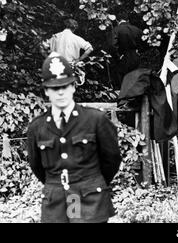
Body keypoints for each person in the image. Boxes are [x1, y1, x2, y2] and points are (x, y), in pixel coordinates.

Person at [27, 53, 121, 223]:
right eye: (55, 88)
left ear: (73, 87)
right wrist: (55, 185)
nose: (61, 92)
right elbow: (36, 166)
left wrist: (92, 182)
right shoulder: (37, 127)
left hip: (90, 202)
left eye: (65, 86)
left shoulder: (95, 120)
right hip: (55, 204)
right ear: (46, 91)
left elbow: (112, 159)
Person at [111, 12, 143, 83]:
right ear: (128, 20)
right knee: (135, 79)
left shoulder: (116, 30)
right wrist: (139, 51)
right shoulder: (136, 29)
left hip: (123, 57)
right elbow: (144, 42)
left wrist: (118, 57)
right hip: (135, 56)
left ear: (117, 20)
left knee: (124, 80)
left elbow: (113, 45)